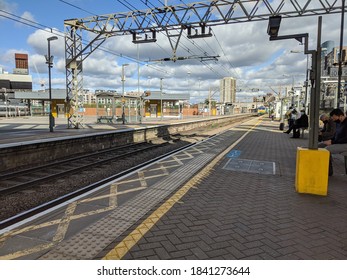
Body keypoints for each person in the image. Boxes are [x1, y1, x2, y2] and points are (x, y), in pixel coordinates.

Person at [319, 108, 347, 176]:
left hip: (345, 144)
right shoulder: (339, 123)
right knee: (319, 146)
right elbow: (336, 135)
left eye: (334, 117)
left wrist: (332, 142)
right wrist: (331, 140)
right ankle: (325, 168)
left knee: (326, 149)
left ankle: (328, 171)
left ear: (340, 116)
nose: (333, 119)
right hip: (338, 142)